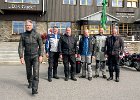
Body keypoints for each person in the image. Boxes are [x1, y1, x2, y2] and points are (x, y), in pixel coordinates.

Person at [18, 19, 43, 95]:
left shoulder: (37, 34)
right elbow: (20, 46)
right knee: (29, 72)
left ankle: (34, 89)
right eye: (27, 25)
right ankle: (30, 82)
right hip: (27, 56)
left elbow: (41, 45)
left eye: (29, 25)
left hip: (35, 56)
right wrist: (21, 57)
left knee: (36, 72)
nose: (28, 26)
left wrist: (41, 55)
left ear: (32, 26)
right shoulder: (23, 35)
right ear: (25, 26)